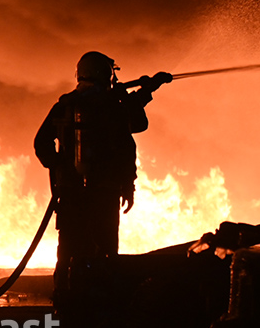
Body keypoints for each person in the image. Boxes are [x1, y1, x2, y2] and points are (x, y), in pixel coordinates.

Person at [34, 51, 170, 307]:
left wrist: (60, 167)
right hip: (105, 193)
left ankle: (63, 301)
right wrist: (148, 89)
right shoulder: (113, 106)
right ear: (106, 75)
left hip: (71, 193)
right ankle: (103, 306)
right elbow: (135, 129)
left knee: (68, 250)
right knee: (105, 251)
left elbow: (41, 142)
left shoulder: (65, 104)